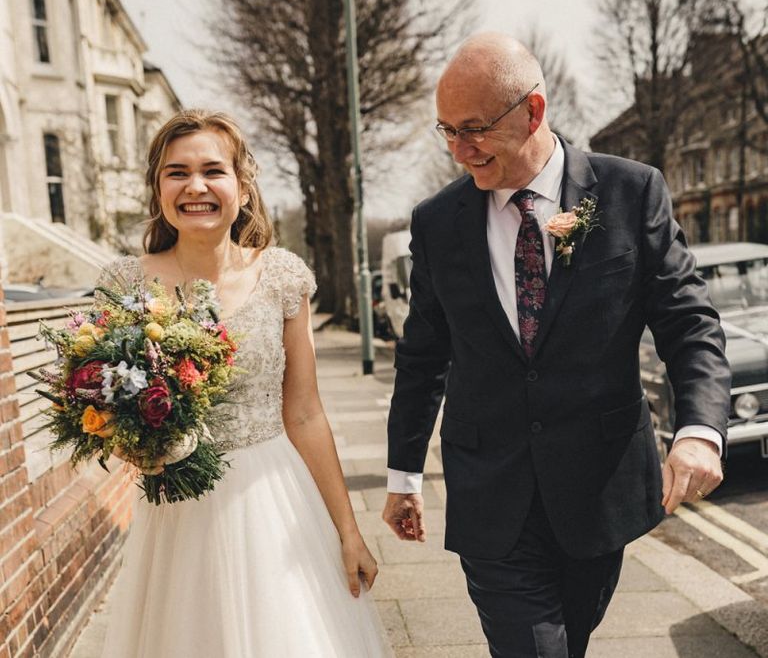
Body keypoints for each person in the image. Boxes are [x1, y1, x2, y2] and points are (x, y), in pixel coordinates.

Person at [382, 33, 731, 658]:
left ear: (533, 112)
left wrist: (700, 429)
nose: (460, 151)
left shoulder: (631, 193)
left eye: (474, 129)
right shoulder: (437, 222)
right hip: (489, 492)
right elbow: (423, 355)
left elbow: (689, 321)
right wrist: (403, 472)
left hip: (599, 491)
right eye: (446, 130)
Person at [99, 110, 392, 657]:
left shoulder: (281, 276)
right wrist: (136, 440)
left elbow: (304, 413)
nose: (196, 186)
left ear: (243, 185)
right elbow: (108, 404)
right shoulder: (125, 283)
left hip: (275, 503)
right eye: (176, 172)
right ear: (157, 186)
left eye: (214, 170)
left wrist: (348, 530)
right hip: (177, 511)